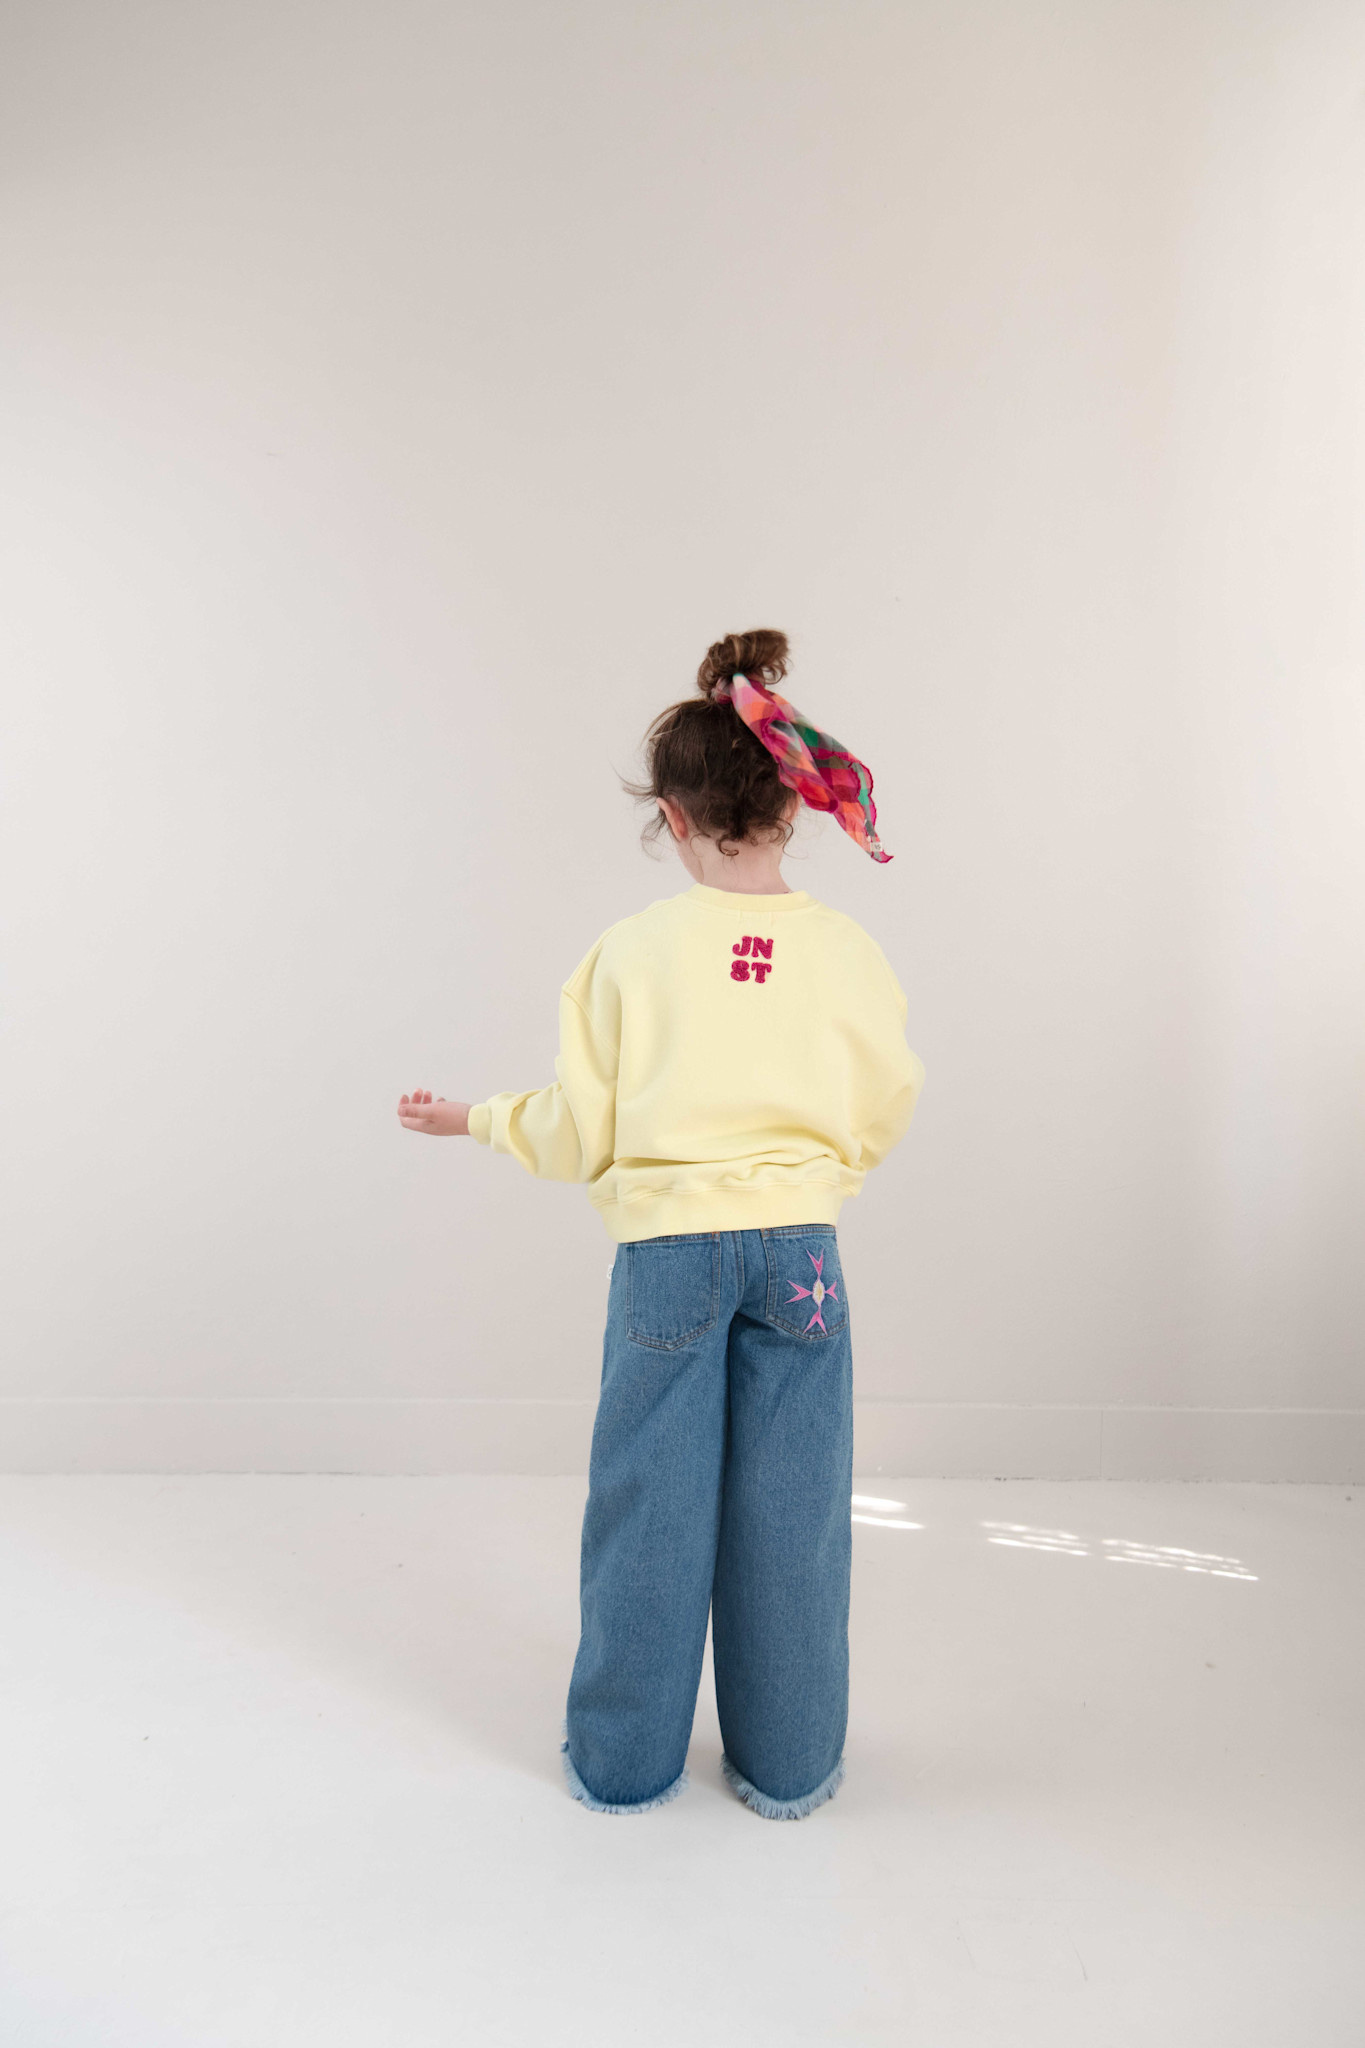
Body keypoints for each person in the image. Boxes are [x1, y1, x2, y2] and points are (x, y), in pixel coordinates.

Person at [397, 629, 925, 1820]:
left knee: (650, 1505)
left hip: (668, 1258)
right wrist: (816, 1176)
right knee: (795, 1512)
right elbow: (889, 1096)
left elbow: (581, 1127)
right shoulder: (848, 953)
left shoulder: (628, 955)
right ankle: (789, 1763)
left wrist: (473, 1118)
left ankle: (626, 1763)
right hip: (802, 1255)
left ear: (673, 818)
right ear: (791, 804)